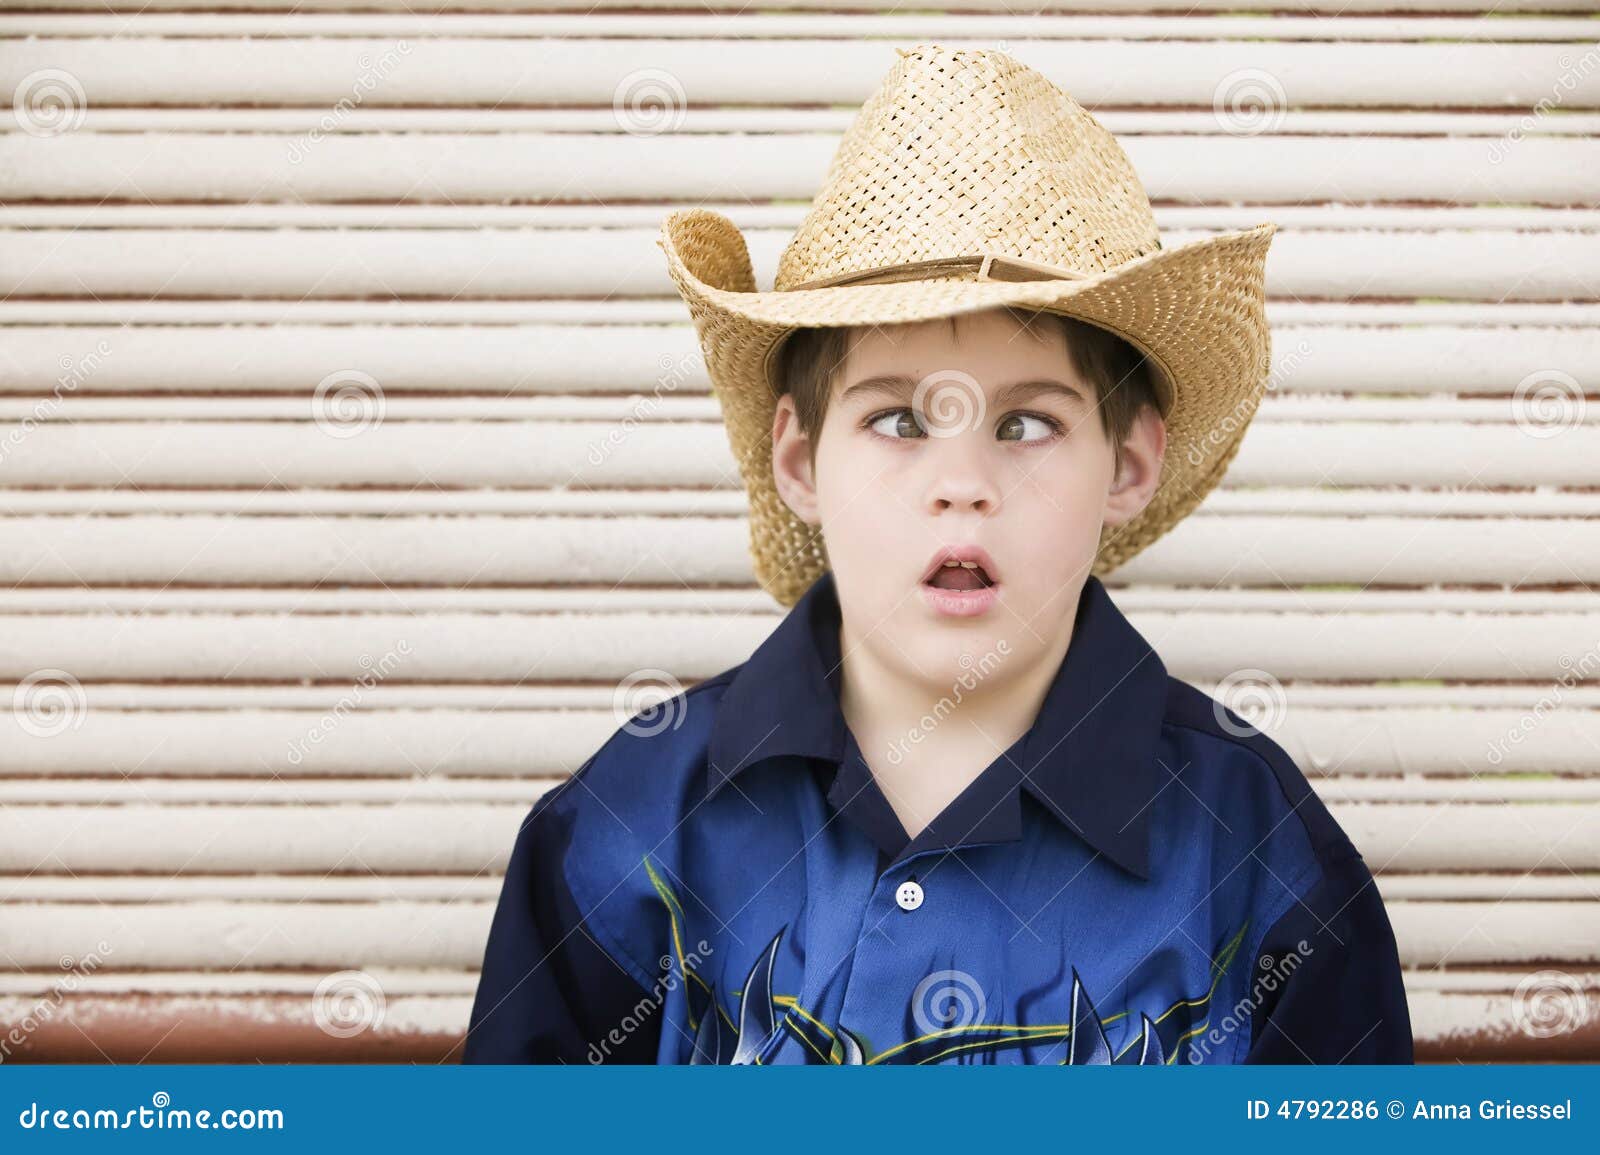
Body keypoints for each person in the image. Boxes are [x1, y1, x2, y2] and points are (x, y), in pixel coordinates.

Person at [462, 43, 1412, 1065]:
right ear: (800, 460)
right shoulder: (633, 823)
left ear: (1128, 465)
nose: (962, 484)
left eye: (1027, 424)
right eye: (899, 421)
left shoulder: (1257, 851)